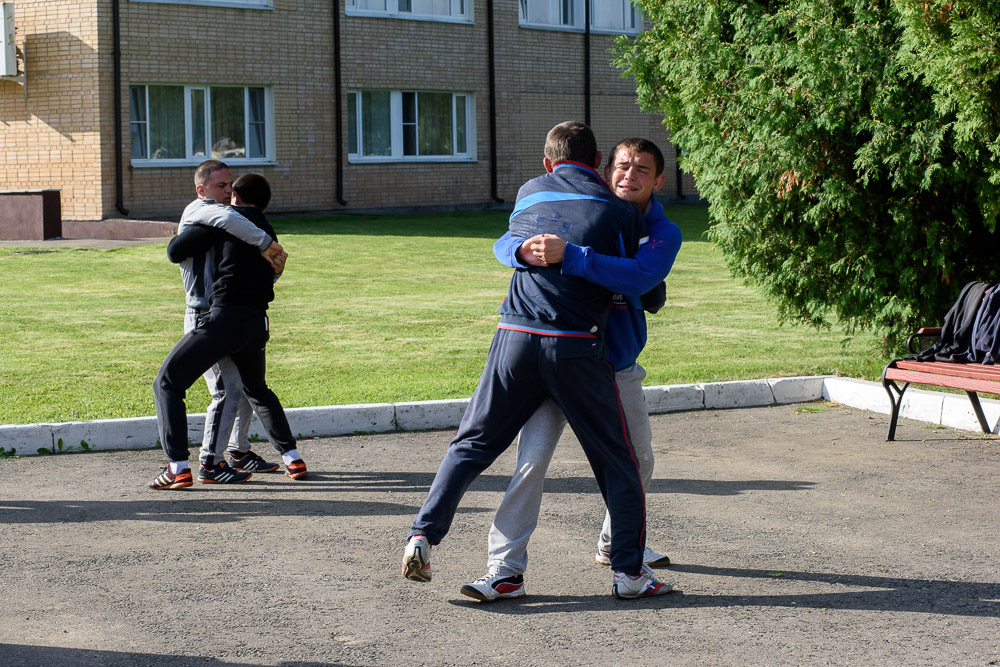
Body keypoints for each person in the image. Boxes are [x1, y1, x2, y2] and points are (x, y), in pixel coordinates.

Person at [401, 121, 671, 599]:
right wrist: (522, 252)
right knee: (539, 464)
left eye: (642, 170)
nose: (630, 175)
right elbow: (506, 242)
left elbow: (646, 286)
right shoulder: (602, 210)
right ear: (602, 169)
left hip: (609, 361)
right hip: (575, 351)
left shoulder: (656, 229)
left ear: (657, 181)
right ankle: (506, 570)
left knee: (636, 461)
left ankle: (615, 546)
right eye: (623, 166)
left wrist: (572, 255)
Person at [148, 172, 307, 489]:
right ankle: (260, 455)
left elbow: (177, 250)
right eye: (220, 186)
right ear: (202, 189)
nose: (225, 192)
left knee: (209, 387)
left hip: (224, 319)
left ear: (236, 196)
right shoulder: (247, 224)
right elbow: (267, 273)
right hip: (245, 320)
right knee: (246, 390)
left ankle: (203, 462)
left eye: (229, 187)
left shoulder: (226, 223)